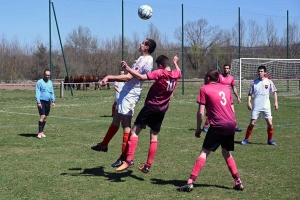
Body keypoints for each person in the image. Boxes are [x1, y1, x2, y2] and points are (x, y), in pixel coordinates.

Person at [91, 38, 157, 168]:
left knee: (126, 125)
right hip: (127, 92)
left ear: (147, 47)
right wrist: (131, 66)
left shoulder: (145, 59)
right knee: (116, 119)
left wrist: (109, 77)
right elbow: (135, 73)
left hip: (130, 94)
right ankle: (104, 145)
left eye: (143, 43)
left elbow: (128, 77)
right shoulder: (144, 59)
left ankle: (124, 157)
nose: (140, 43)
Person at [177, 70, 244, 192]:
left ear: (208, 78)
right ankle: (238, 181)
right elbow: (232, 108)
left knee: (204, 152)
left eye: (204, 76)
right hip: (231, 124)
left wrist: (198, 129)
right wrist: (234, 123)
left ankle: (190, 182)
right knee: (226, 153)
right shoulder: (226, 89)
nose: (203, 78)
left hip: (218, 125)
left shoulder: (205, 89)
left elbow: (201, 112)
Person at [115, 55, 182, 173]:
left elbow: (141, 77)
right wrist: (175, 62)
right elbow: (179, 71)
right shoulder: (176, 74)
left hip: (151, 107)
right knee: (154, 137)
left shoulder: (160, 73)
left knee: (134, 132)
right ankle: (147, 165)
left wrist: (128, 69)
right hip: (162, 109)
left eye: (157, 65)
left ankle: (129, 160)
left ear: (160, 66)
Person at [241, 65, 278, 145]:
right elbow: (250, 94)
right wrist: (249, 102)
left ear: (265, 73)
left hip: (266, 106)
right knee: (252, 123)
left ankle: (270, 140)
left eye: (261, 71)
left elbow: (274, 92)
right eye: (259, 71)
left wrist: (276, 102)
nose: (260, 73)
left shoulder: (269, 81)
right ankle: (246, 139)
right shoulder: (254, 82)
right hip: (257, 105)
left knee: (270, 123)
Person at [202, 64, 242, 132]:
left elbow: (234, 88)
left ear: (229, 69)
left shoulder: (231, 78)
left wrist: (238, 97)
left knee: (232, 111)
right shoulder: (220, 76)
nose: (226, 69)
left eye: (227, 68)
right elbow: (213, 84)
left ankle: (235, 126)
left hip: (228, 97)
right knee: (214, 111)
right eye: (225, 68)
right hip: (219, 96)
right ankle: (205, 125)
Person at [35, 69, 56, 139]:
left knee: (45, 117)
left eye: (48, 75)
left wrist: (53, 101)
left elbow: (52, 92)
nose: (47, 76)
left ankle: (42, 132)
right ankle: (39, 133)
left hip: (48, 102)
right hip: (41, 101)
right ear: (44, 75)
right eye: (46, 75)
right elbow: (37, 92)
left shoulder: (50, 82)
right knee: (42, 116)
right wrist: (38, 102)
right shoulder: (39, 82)